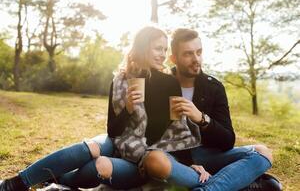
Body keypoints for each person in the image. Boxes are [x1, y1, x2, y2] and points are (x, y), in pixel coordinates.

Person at [0, 26, 203, 191]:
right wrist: (128, 109)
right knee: (89, 147)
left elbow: (178, 130)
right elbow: (113, 130)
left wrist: (188, 163)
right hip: (118, 141)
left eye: (165, 49)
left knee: (101, 165)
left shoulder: (170, 84)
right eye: (158, 48)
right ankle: (16, 183)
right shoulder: (121, 80)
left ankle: (62, 177)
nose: (163, 55)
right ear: (142, 47)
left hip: (143, 158)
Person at [141, 28, 283, 191]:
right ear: (174, 59)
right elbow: (150, 136)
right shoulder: (159, 85)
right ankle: (233, 182)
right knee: (154, 160)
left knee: (262, 153)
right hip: (173, 157)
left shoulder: (213, 87)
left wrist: (201, 118)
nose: (196, 59)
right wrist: (188, 163)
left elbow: (227, 141)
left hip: (208, 155)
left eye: (199, 52)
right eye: (188, 54)